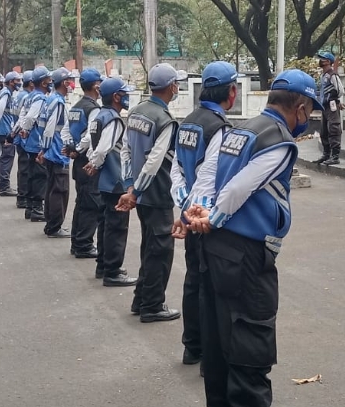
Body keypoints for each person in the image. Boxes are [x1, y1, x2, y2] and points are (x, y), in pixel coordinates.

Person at [183, 69, 323, 407]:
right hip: (244, 248)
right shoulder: (279, 141)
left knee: (217, 322)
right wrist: (212, 217)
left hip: (216, 247)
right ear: (302, 106)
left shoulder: (242, 129)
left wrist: (196, 209)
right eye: (309, 111)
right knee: (252, 326)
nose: (307, 120)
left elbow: (208, 176)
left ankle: (221, 400)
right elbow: (239, 188)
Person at [170, 61, 236, 367]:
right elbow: (209, 180)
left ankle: (192, 346)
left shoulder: (188, 122)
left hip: (189, 212)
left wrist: (183, 210)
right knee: (209, 288)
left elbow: (177, 172)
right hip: (205, 219)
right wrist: (194, 217)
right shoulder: (219, 129)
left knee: (192, 280)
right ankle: (208, 353)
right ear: (232, 92)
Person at [117, 63, 187, 323]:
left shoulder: (135, 112)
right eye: (177, 83)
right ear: (171, 87)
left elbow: (125, 150)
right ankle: (152, 305)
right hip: (155, 195)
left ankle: (141, 299)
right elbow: (155, 162)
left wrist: (130, 186)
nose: (178, 87)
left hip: (139, 192)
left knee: (149, 246)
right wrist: (137, 191)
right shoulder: (166, 121)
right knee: (160, 251)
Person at [84, 76, 137, 286]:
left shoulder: (101, 116)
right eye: (124, 94)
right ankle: (112, 271)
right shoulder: (113, 119)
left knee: (105, 222)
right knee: (116, 226)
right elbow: (104, 147)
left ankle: (103, 265)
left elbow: (91, 143)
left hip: (105, 179)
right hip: (115, 179)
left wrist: (93, 162)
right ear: (116, 97)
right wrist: (95, 163)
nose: (127, 98)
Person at [68, 68, 103, 258]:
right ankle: (84, 244)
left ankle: (77, 242)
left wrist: (72, 148)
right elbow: (90, 135)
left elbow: (66, 131)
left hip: (78, 160)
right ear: (96, 86)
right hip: (88, 160)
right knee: (90, 204)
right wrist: (79, 149)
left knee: (81, 202)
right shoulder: (93, 109)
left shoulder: (76, 106)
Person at [38, 68, 74, 238]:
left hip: (52, 151)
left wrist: (43, 149)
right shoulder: (58, 102)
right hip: (58, 152)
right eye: (69, 81)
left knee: (52, 188)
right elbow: (50, 129)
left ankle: (50, 225)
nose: (71, 85)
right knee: (60, 191)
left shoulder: (50, 99)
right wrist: (44, 150)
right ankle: (54, 226)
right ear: (63, 83)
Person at [18, 66, 52, 222]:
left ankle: (30, 207)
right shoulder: (40, 98)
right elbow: (31, 117)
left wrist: (22, 130)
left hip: (30, 142)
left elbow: (23, 115)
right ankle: (37, 208)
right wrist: (26, 129)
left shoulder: (30, 96)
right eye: (49, 79)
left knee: (32, 174)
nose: (51, 82)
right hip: (37, 141)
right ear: (44, 82)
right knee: (39, 175)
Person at [0, 71, 21, 196]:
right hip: (4, 129)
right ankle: (4, 187)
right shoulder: (6, 93)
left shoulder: (7, 92)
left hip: (4, 128)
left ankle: (3, 185)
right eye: (16, 80)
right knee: (7, 157)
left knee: (6, 157)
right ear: (10, 81)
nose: (19, 83)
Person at [315, 52, 345, 166]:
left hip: (331, 105)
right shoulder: (323, 75)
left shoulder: (333, 75)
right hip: (324, 106)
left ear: (328, 61)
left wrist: (336, 100)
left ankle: (335, 156)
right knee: (324, 131)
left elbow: (340, 90)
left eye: (323, 59)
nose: (320, 61)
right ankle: (326, 154)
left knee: (334, 129)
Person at [11, 70, 34, 209]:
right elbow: (25, 119)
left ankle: (22, 196)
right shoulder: (27, 97)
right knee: (26, 169)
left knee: (23, 167)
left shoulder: (19, 96)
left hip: (18, 134)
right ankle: (23, 197)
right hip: (24, 136)